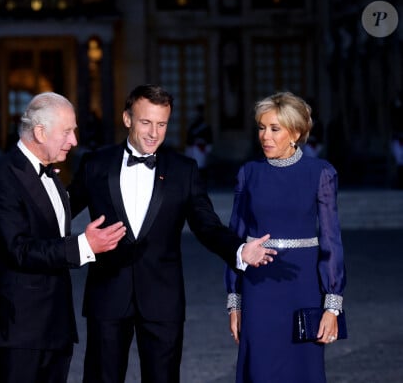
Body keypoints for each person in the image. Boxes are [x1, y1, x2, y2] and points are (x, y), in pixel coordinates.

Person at [67, 83, 277, 383]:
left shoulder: (184, 170)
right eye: (146, 122)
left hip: (163, 299)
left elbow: (207, 225)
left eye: (162, 124)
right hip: (108, 296)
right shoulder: (95, 164)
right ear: (127, 119)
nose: (154, 133)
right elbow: (59, 214)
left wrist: (240, 250)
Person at [0, 92, 126, 383]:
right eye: (67, 132)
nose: (74, 141)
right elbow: (18, 250)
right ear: (40, 132)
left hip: (55, 330)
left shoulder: (52, 175)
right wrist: (84, 245)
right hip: (20, 334)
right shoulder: (2, 179)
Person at [224, 91, 346, 382]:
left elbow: (331, 240)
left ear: (296, 132)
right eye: (262, 127)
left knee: (302, 370)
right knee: (259, 367)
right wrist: (234, 302)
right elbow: (234, 239)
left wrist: (332, 306)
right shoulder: (249, 173)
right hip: (258, 288)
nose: (265, 136)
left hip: (302, 287)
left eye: (274, 129)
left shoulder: (321, 173)